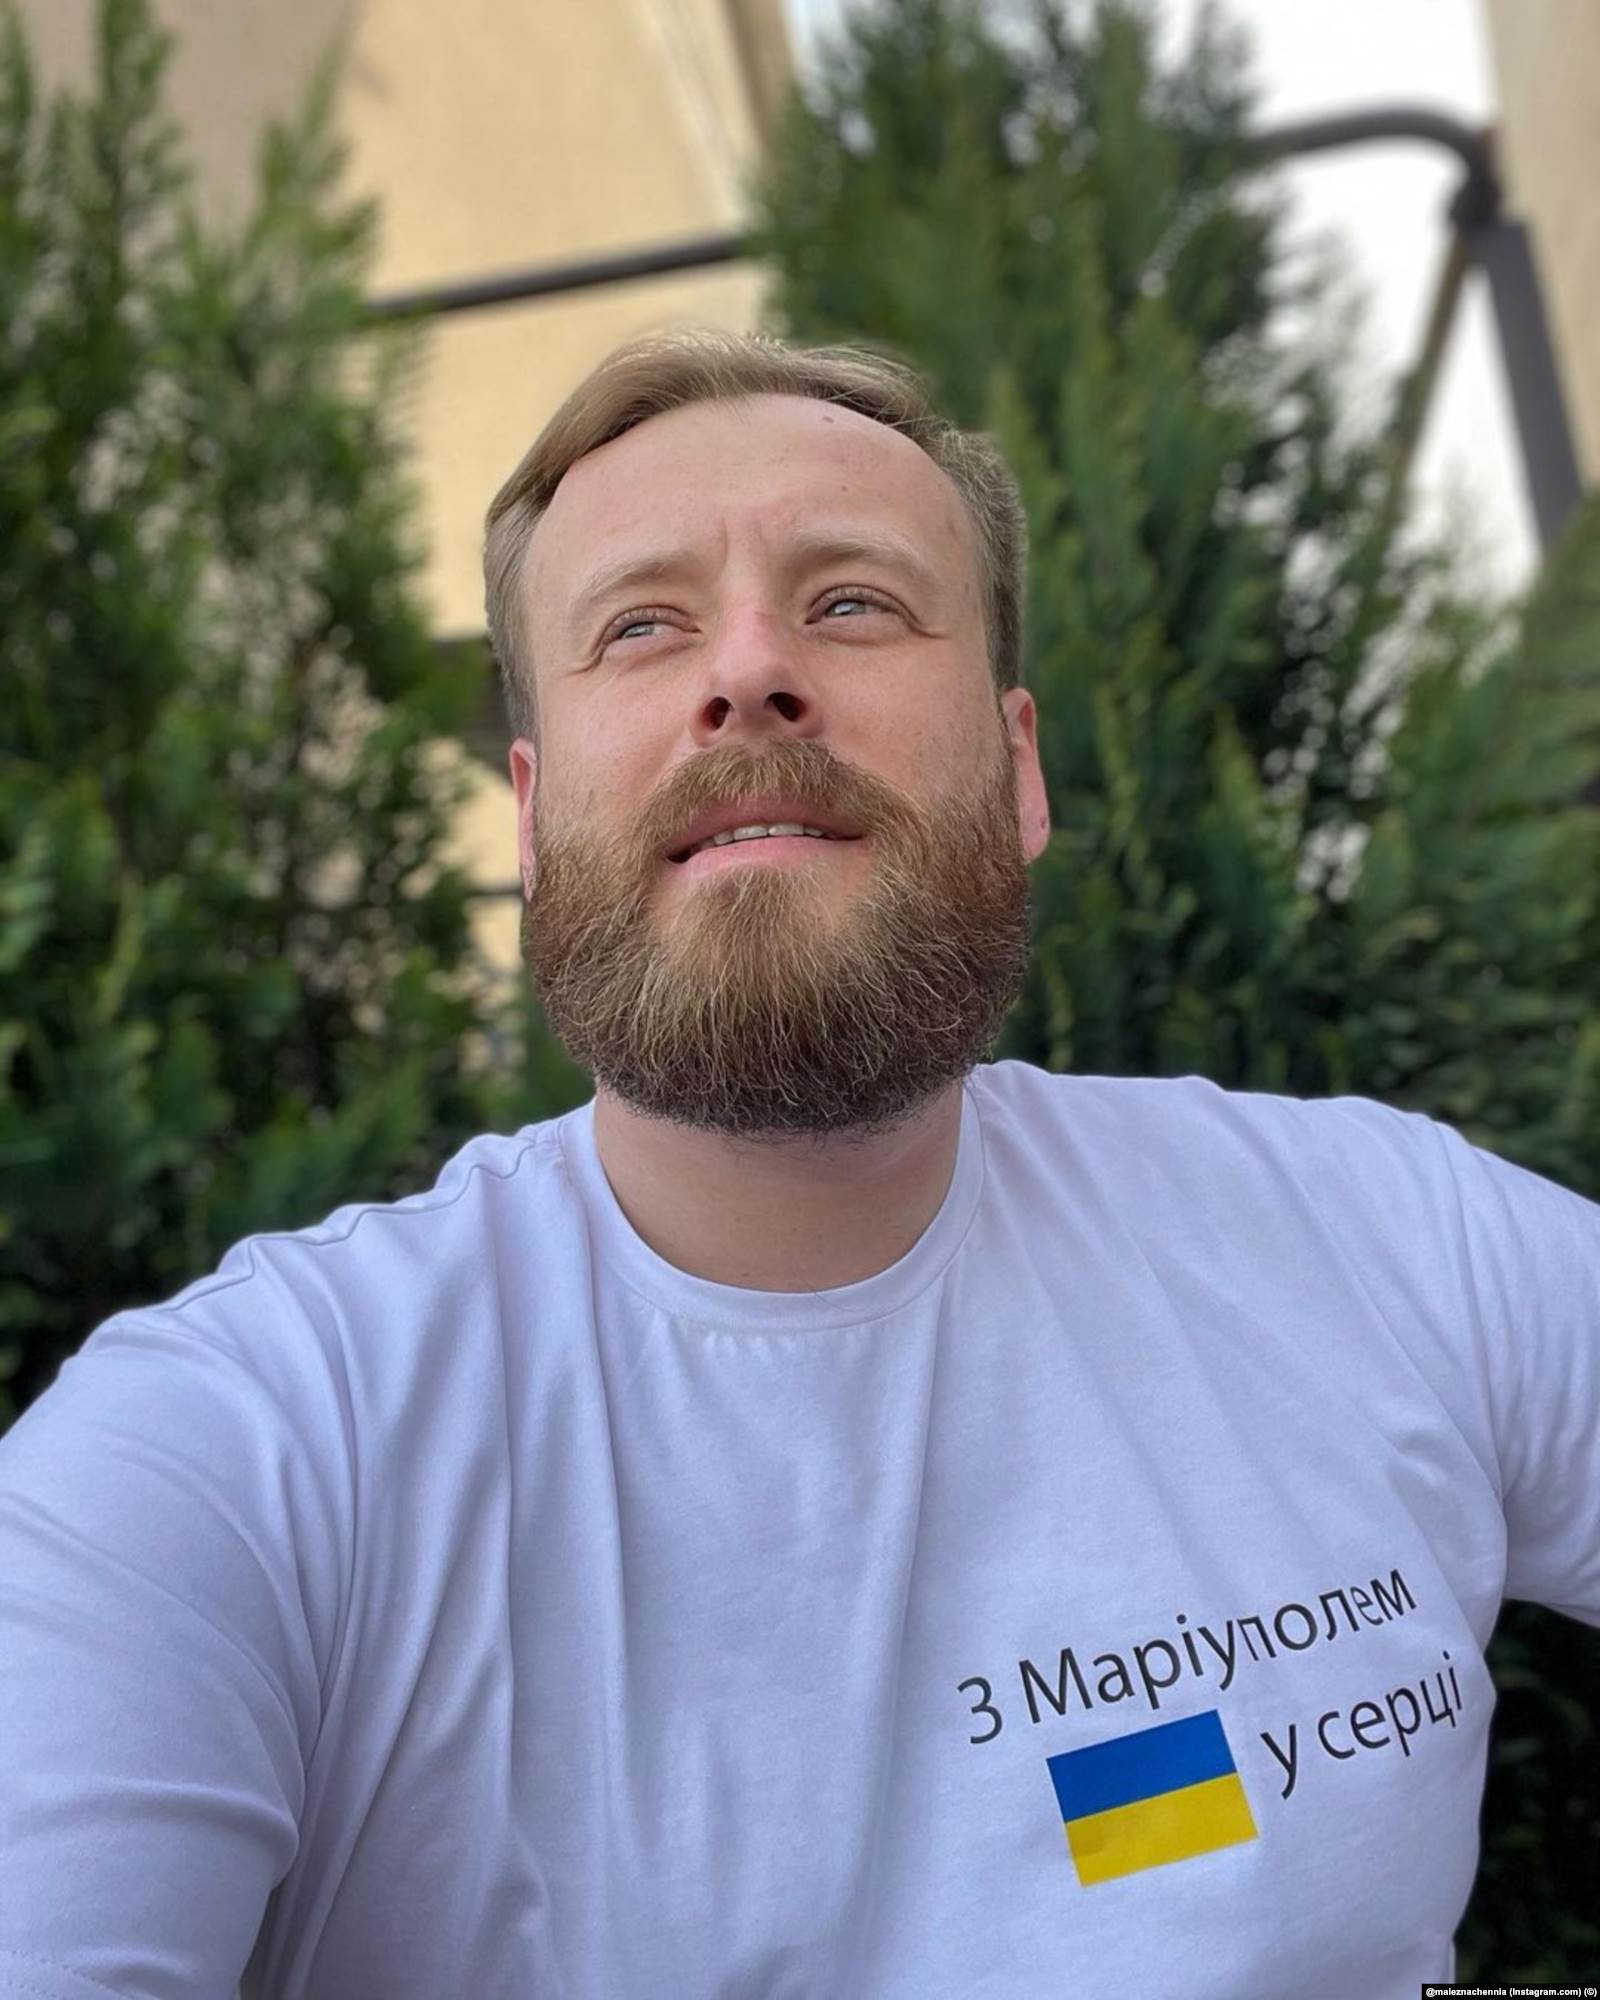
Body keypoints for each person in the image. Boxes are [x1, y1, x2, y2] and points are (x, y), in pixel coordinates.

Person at [1, 328, 1596, 2000]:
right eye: (641, 625)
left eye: (851, 602)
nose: (751, 670)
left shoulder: (1380, 1237)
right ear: (530, 821)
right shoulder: (234, 1461)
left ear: (1020, 767)